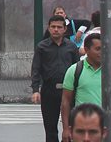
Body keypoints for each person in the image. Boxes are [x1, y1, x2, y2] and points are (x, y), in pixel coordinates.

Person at [61, 32, 111, 133]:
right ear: (87, 50)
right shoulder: (74, 70)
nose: (102, 52)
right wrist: (66, 128)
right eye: (98, 49)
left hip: (107, 127)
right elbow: (66, 101)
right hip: (82, 125)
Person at [31, 14, 80, 142]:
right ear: (49, 28)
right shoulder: (42, 47)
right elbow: (36, 69)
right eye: (53, 27)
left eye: (59, 27)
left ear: (64, 29)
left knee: (70, 127)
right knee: (50, 128)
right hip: (49, 90)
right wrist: (35, 90)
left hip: (68, 91)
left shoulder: (71, 47)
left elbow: (78, 69)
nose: (56, 30)